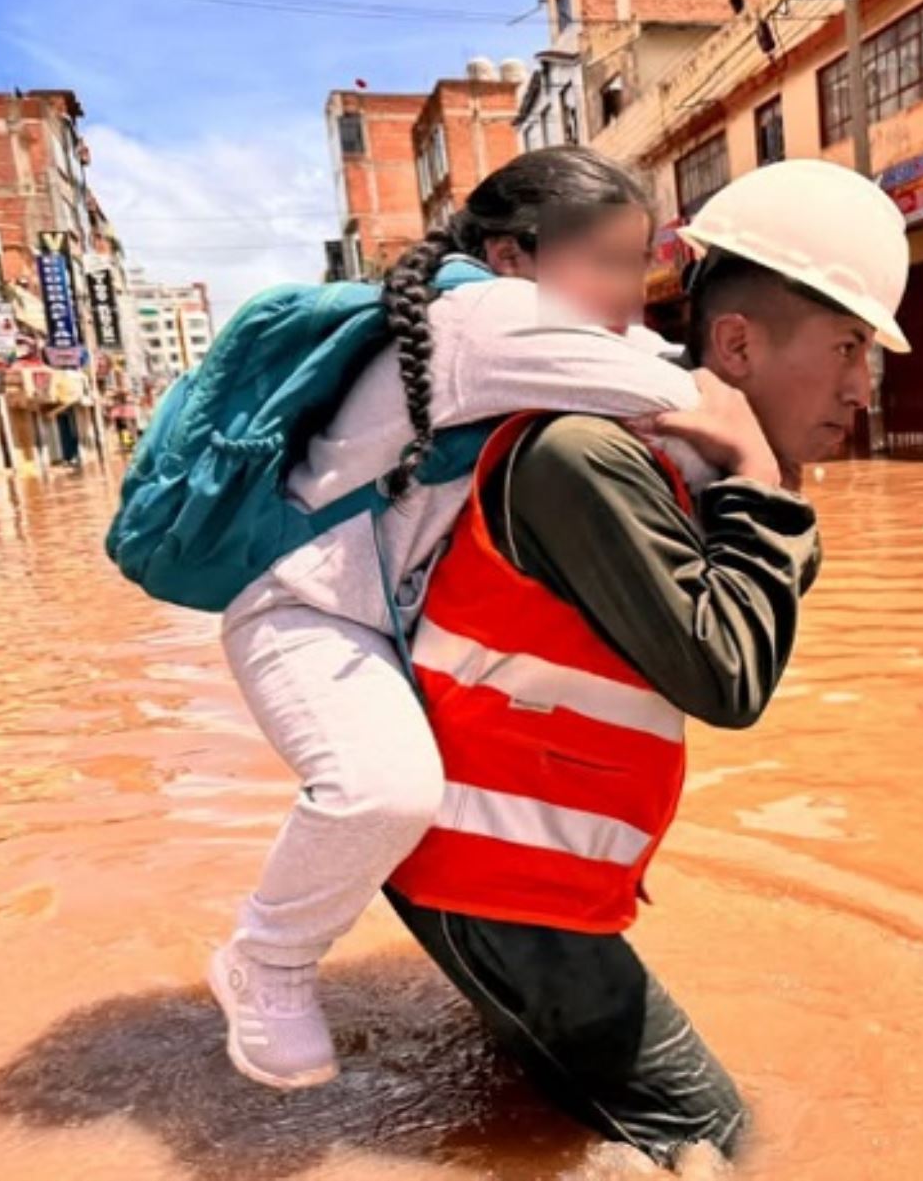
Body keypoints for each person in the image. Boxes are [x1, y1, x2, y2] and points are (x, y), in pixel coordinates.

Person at [382, 159, 911, 1167]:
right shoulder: (586, 456)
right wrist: (762, 477)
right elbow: (727, 678)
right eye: (847, 347)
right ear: (737, 342)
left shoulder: (665, 459)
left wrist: (757, 479)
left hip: (513, 876)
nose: (862, 387)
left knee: (526, 1106)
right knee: (710, 1137)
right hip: (490, 881)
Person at [209, 148, 704, 1090]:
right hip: (306, 612)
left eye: (639, 267)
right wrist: (753, 423)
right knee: (384, 791)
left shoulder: (507, 319)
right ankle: (264, 961)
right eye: (605, 262)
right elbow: (675, 391)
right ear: (515, 253)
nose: (629, 297)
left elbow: (641, 362)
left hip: (384, 622)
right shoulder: (484, 314)